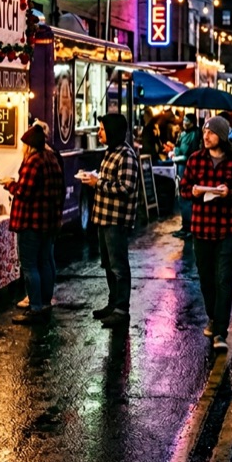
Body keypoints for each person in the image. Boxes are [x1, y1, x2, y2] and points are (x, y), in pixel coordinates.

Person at [181, 116, 232, 351]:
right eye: (204, 131)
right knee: (206, 278)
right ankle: (213, 317)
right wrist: (193, 190)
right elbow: (183, 188)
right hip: (201, 228)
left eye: (211, 132)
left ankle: (220, 331)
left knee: (224, 279)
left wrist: (229, 192)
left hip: (227, 229)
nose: (206, 136)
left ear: (221, 136)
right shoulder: (196, 160)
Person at [4, 124, 65, 325]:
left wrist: (9, 185)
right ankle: (46, 302)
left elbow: (25, 192)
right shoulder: (52, 158)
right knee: (46, 261)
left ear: (29, 145)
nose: (22, 149)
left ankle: (36, 308)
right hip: (49, 222)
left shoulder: (32, 162)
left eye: (23, 145)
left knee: (29, 265)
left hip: (31, 222)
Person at [83, 113, 140, 329]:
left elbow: (126, 188)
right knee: (108, 264)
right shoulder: (111, 152)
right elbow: (110, 180)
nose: (99, 133)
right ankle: (112, 303)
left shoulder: (126, 155)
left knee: (119, 266)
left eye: (102, 129)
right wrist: (96, 178)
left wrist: (98, 183)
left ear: (113, 131)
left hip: (116, 219)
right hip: (104, 217)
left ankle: (121, 310)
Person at [172, 114, 203, 240]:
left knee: (186, 198)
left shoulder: (195, 134)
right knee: (181, 197)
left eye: (187, 120)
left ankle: (189, 227)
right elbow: (178, 149)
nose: (184, 122)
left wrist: (176, 156)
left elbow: (187, 153)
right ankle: (185, 226)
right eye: (184, 119)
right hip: (180, 167)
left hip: (187, 168)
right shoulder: (183, 134)